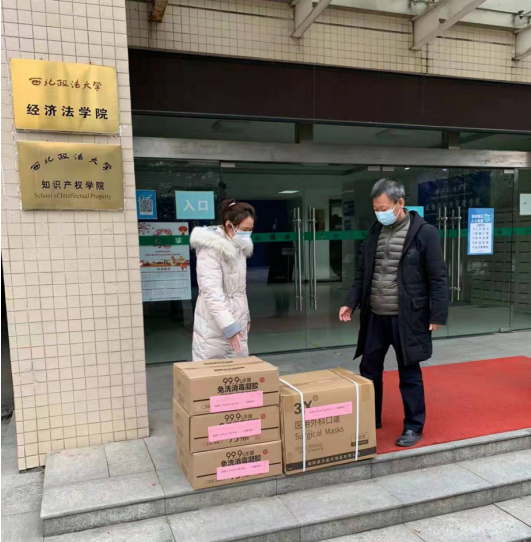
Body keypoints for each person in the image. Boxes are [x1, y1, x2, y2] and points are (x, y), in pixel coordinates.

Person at [339, 179, 448, 447]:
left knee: (409, 372)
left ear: (400, 203)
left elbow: (438, 277)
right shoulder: (375, 231)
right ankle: (370, 418)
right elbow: (363, 274)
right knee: (368, 369)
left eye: (384, 208)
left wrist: (437, 315)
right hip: (375, 314)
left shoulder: (425, 232)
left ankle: (413, 426)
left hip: (408, 316)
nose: (380, 213)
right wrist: (351, 302)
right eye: (376, 209)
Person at [190, 199, 256, 361]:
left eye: (250, 230)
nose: (248, 234)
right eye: (245, 230)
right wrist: (229, 326)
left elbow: (239, 290)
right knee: (213, 371)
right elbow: (212, 294)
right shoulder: (210, 250)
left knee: (239, 369)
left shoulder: (239, 247)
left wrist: (245, 316)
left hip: (237, 320)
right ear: (229, 226)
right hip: (214, 327)